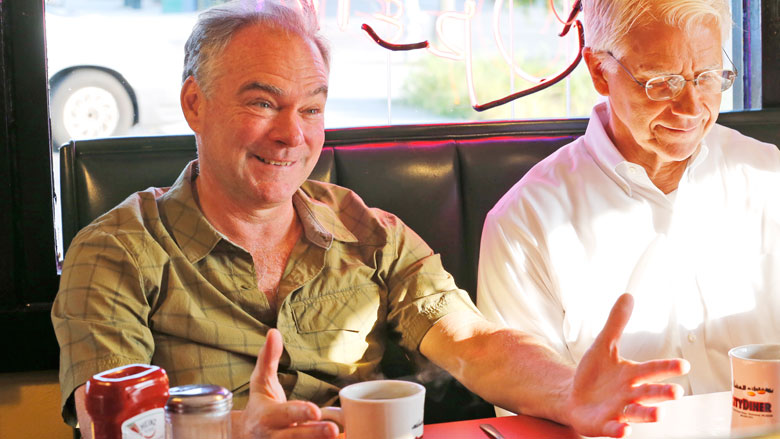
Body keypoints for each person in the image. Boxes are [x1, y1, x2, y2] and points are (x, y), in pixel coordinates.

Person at [51, 1, 689, 438]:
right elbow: (107, 420)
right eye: (263, 102)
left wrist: (571, 391)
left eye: (311, 109)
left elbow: (471, 342)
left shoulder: (369, 232)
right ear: (196, 103)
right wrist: (228, 429)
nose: (290, 135)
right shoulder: (116, 252)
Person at [477, 0, 780, 401]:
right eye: (662, 81)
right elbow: (524, 412)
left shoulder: (768, 178)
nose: (691, 109)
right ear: (600, 71)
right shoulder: (526, 222)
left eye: (707, 77)